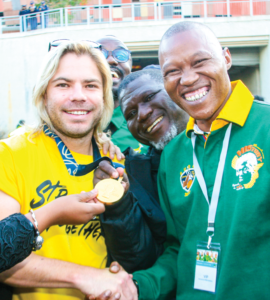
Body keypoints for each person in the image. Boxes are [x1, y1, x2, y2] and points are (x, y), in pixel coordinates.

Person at [126, 21, 270, 299]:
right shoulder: (173, 154)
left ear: (226, 58)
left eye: (200, 61)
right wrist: (137, 286)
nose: (188, 79)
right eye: (172, 71)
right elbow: (179, 249)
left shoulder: (265, 127)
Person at [0, 41, 137, 300]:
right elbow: (3, 255)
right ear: (43, 94)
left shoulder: (115, 158)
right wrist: (85, 276)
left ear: (104, 95)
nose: (79, 96)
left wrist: (116, 274)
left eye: (90, 85)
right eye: (63, 85)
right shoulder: (10, 155)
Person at [93, 69, 188, 275]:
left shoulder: (231, 143)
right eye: (131, 114)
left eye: (149, 97)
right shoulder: (135, 175)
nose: (143, 114)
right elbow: (140, 260)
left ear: (172, 89)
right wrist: (118, 205)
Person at [96, 36, 148, 154]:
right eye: (100, 54)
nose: (111, 60)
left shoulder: (147, 122)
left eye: (121, 55)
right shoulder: (72, 121)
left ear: (130, 69)